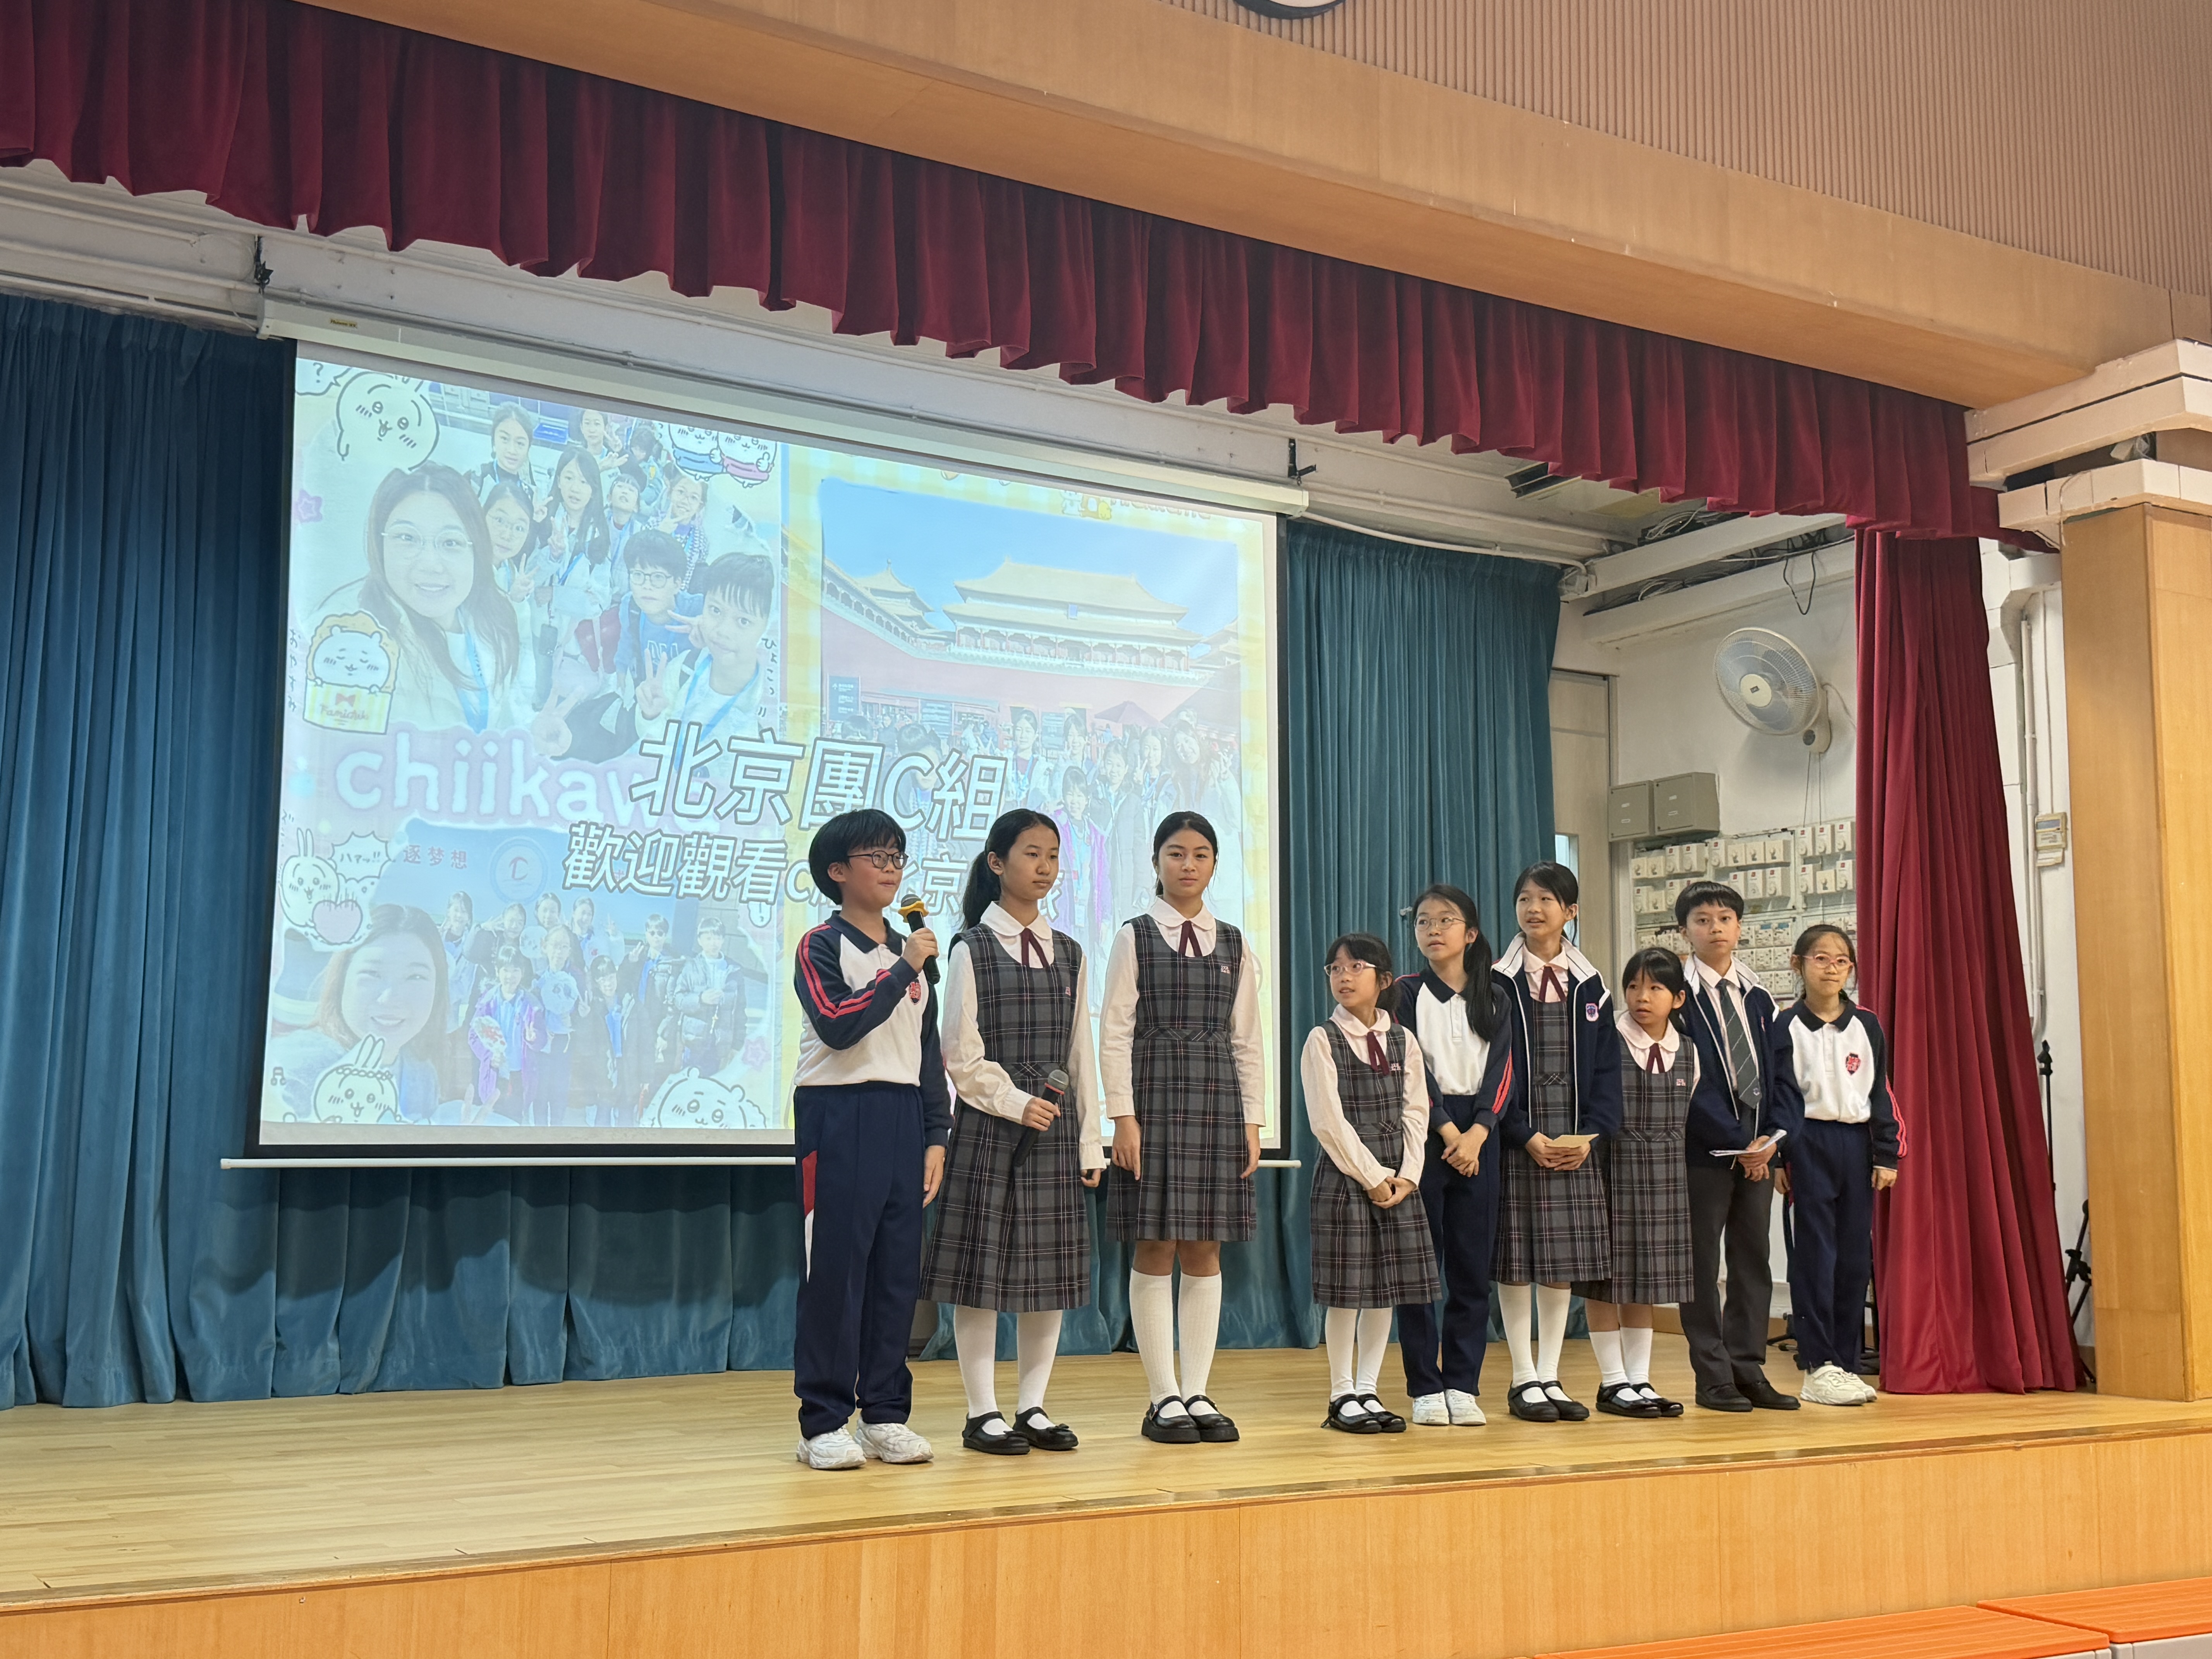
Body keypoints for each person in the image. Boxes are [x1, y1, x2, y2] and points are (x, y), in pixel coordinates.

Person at [920, 811, 1106, 1455]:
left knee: (1045, 1276)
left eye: (1052, 855)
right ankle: (982, 1411)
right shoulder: (970, 947)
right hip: (990, 1126)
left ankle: (1032, 1406)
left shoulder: (1071, 952)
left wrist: (1089, 1141)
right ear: (997, 863)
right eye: (1032, 853)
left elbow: (1080, 1054)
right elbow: (959, 1053)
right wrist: (1014, 1101)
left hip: (1054, 1126)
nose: (1045, 866)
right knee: (981, 1273)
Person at [789, 809, 950, 1471]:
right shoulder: (821, 944)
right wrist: (902, 968)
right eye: (876, 857)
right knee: (835, 1272)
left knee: (895, 1275)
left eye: (896, 857)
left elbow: (926, 1049)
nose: (890, 869)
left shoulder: (913, 955)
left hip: (902, 1115)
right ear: (837, 871)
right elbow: (837, 1024)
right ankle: (823, 1422)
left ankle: (885, 1414)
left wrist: (936, 1134)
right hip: (838, 1113)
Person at [1100, 810, 1264, 1444]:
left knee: (1204, 1246)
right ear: (1156, 862)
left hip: (1217, 1102)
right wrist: (1123, 1115)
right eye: (1175, 853)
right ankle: (1162, 1396)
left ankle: (1196, 1390)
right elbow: (1114, 1031)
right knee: (1155, 1243)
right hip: (1152, 1099)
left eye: (1200, 854)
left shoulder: (1234, 942)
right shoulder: (1134, 936)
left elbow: (1246, 1038)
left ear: (1215, 864)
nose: (1188, 864)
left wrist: (1252, 1120)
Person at [1492, 861, 1621, 1424]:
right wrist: (1523, 1134)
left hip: (1573, 1142)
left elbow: (1609, 1072)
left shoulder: (1592, 986)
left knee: (1560, 1262)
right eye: (1525, 898)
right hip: (1517, 1138)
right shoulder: (1497, 982)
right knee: (1517, 1261)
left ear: (1571, 911)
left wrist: (1590, 1135)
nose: (1534, 909)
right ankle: (1522, 1376)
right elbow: (1488, 1070)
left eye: (1547, 899)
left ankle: (1550, 1373)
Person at [1674, 879, 1805, 1413]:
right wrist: (1738, 1143)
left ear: (1740, 927)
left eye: (1725, 919)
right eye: (1703, 920)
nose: (1715, 929)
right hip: (1705, 1151)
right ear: (1684, 931)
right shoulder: (1677, 995)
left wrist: (1773, 1140)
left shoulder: (1758, 996)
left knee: (1753, 1260)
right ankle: (1713, 1377)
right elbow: (1687, 1079)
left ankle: (1748, 1368)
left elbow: (1783, 1076)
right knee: (1701, 1266)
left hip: (1759, 1150)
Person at [1304, 933, 1438, 1434]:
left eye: (1355, 967)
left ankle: (1369, 1388)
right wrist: (1374, 1177)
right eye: (1335, 969)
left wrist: (1409, 1175)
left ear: (1383, 979)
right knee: (1347, 1291)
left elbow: (1417, 1112)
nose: (1343, 977)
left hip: (1399, 1180)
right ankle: (1342, 1394)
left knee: (1386, 1289)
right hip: (1348, 1179)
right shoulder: (1323, 1039)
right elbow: (1328, 1122)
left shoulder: (1403, 1040)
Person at [1394, 885, 1517, 1429]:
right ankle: (1424, 1385)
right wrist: (1447, 1130)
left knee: (1471, 1269)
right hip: (1425, 1129)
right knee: (1421, 1269)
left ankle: (1463, 1384)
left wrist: (1478, 1133)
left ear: (1471, 933)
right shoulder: (1404, 993)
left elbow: (1505, 1070)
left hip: (1480, 1138)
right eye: (1423, 922)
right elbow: (1408, 1067)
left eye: (1446, 921)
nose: (1433, 930)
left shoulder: (1496, 995)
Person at [1776, 924, 1900, 1407]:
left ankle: (1846, 1363)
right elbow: (1780, 1098)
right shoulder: (1785, 1026)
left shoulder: (1866, 1025)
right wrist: (1781, 1155)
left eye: (1842, 961)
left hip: (1856, 1143)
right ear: (1799, 963)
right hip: (1808, 1143)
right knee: (1816, 1258)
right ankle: (1818, 1364)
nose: (1832, 969)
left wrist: (1886, 1152)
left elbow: (1880, 1090)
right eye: (1821, 959)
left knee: (1853, 1259)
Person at [1575, 948, 1700, 1420]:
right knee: (1605, 1280)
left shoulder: (1688, 1051)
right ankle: (1612, 1382)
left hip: (1665, 1174)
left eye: (1655, 988)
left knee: (1645, 1279)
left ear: (1678, 999)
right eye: (1633, 987)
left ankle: (1640, 1378)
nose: (1642, 997)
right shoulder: (1608, 1041)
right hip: (1613, 1167)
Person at [330, 463, 529, 733]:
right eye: (407, 538)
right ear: (380, 544)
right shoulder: (351, 640)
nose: (431, 565)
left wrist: (533, 735)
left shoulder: (494, 615)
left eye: (451, 542)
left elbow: (502, 710)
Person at [267, 905, 450, 1124]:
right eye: (372, 973)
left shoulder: (423, 1075)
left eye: (416, 977)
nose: (390, 998)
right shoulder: (290, 1069)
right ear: (342, 978)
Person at [633, 552, 776, 747]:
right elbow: (657, 742)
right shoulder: (684, 668)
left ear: (767, 626)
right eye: (715, 610)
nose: (723, 631)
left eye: (743, 621)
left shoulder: (769, 692)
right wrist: (650, 716)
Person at [530, 443, 615, 702]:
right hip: (540, 628)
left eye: (584, 481)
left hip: (574, 641)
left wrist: (556, 595)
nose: (575, 488)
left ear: (594, 490)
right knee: (541, 691)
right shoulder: (543, 522)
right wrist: (553, 556)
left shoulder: (599, 538)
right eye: (569, 478)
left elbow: (599, 602)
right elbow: (529, 580)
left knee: (565, 699)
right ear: (558, 481)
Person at [470, 945, 548, 1120]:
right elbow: (474, 1036)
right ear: (498, 971)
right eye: (506, 970)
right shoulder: (487, 1002)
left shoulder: (531, 1004)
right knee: (493, 1121)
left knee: (515, 1122)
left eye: (515, 971)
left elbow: (542, 1039)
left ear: (522, 973)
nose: (510, 976)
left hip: (519, 1075)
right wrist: (489, 1056)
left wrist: (534, 1039)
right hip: (495, 1074)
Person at [618, 914, 680, 1109]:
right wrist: (630, 962)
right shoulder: (639, 957)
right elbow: (621, 984)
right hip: (636, 1021)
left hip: (656, 1025)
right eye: (652, 933)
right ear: (646, 934)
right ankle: (630, 1108)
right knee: (632, 1066)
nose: (656, 937)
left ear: (666, 935)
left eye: (660, 933)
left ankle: (649, 1111)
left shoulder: (672, 964)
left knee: (654, 1071)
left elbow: (673, 1005)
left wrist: (664, 1034)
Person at [674, 917, 745, 1075]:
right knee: (688, 1082)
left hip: (719, 1044)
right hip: (694, 1042)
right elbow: (678, 999)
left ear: (723, 940)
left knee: (711, 1085)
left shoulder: (734, 971)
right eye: (709, 939)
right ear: (700, 941)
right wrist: (700, 999)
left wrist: (737, 1044)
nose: (714, 943)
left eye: (718, 938)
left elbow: (740, 1011)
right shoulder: (691, 967)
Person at [536, 926, 581, 1125]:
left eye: (564, 947)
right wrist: (540, 1029)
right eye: (555, 946)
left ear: (570, 951)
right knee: (540, 1091)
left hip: (564, 1044)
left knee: (559, 1092)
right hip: (542, 1044)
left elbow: (585, 1016)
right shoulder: (537, 980)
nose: (559, 952)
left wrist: (575, 1020)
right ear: (545, 947)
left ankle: (557, 1133)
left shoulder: (576, 979)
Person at [469, 403, 537, 503]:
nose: (512, 450)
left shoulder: (529, 494)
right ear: (494, 441)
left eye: (520, 443)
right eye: (505, 439)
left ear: (528, 448)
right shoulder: (477, 478)